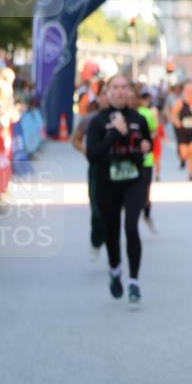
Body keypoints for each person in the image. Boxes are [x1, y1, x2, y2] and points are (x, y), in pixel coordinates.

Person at [85, 75, 153, 305]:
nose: (120, 91)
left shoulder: (138, 118)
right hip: (107, 182)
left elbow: (146, 144)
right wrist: (114, 133)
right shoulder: (98, 121)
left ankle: (134, 281)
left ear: (131, 92)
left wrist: (145, 146)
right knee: (111, 231)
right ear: (108, 92)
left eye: (125, 87)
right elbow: (92, 155)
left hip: (134, 180)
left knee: (131, 227)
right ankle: (115, 269)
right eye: (115, 87)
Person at [72, 88, 109, 261]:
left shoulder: (122, 117)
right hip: (96, 169)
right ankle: (96, 241)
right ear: (99, 98)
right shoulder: (89, 118)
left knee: (113, 211)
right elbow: (76, 140)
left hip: (117, 170)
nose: (108, 97)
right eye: (104, 94)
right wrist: (87, 150)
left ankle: (112, 249)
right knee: (97, 210)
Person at [136, 90, 159, 233]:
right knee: (141, 192)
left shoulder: (147, 114)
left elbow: (154, 131)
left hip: (146, 160)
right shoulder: (128, 114)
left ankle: (146, 215)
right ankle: (140, 216)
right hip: (132, 161)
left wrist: (145, 141)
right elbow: (154, 132)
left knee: (145, 191)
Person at [169, 83, 192, 180]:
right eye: (187, 92)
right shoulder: (180, 103)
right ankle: (185, 160)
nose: (189, 94)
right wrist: (176, 121)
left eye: (191, 92)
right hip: (183, 132)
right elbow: (172, 116)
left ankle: (191, 174)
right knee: (184, 153)